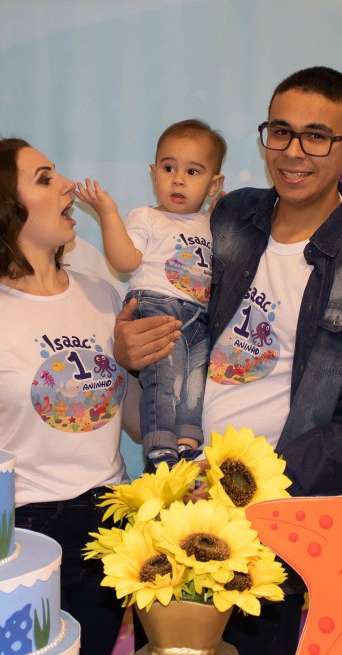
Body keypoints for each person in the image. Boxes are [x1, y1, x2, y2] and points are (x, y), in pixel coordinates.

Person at [114, 66, 342, 655]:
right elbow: (166, 313)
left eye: (317, 136)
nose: (293, 152)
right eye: (280, 131)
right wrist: (129, 354)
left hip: (274, 528)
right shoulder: (226, 217)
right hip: (172, 501)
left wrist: (243, 484)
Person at [0, 138, 129, 655]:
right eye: (45, 178)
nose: (68, 185)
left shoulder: (103, 295)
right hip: (28, 527)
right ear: (2, 208)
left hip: (114, 522)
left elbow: (131, 420)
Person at [75, 119, 225, 472]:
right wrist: (109, 215)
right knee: (163, 378)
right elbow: (125, 261)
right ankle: (160, 448)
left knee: (195, 382)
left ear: (213, 184)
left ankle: (187, 444)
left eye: (193, 172)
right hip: (158, 307)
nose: (178, 180)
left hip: (199, 317)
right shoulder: (145, 217)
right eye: (169, 168)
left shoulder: (211, 223)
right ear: (153, 173)